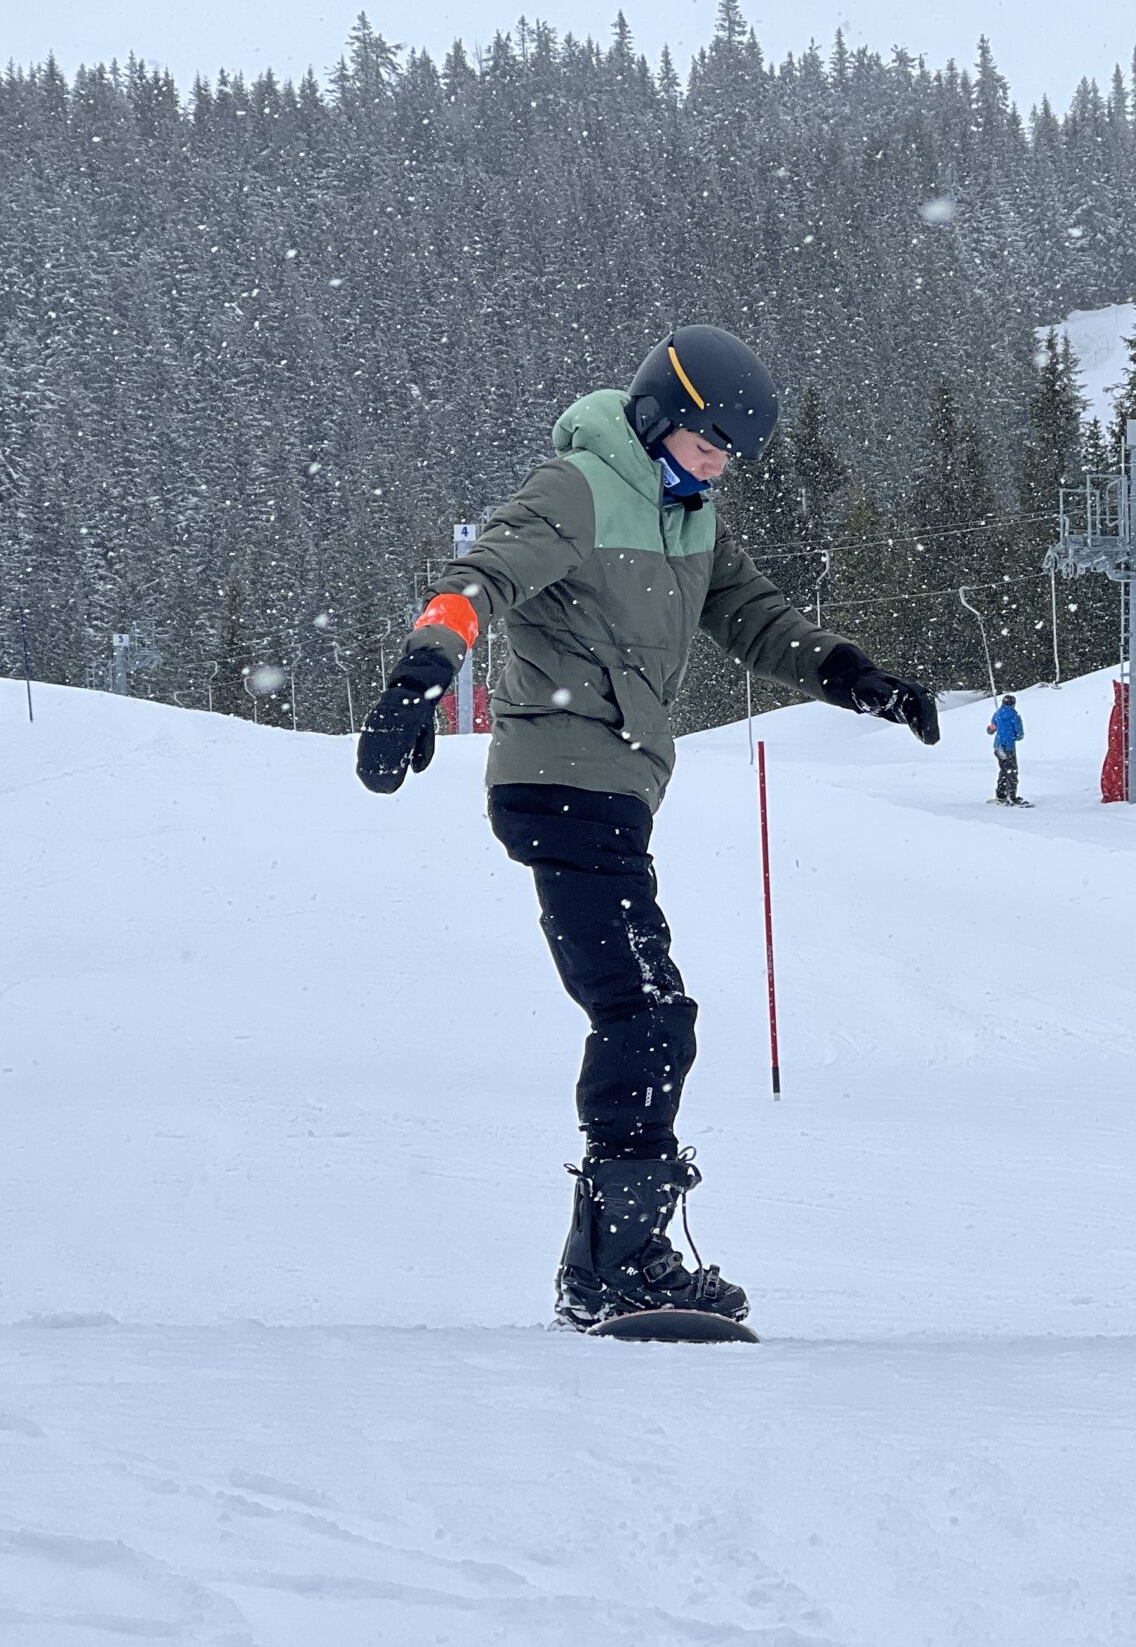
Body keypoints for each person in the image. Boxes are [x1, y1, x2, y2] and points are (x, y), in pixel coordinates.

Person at [354, 325, 941, 1331]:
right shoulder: (581, 487)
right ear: (658, 416)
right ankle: (616, 1264)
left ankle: (615, 1258)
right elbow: (477, 580)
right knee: (648, 1016)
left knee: (647, 1014)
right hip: (559, 779)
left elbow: (755, 617)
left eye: (729, 455)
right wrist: (419, 679)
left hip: (615, 787)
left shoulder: (691, 519)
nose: (718, 467)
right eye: (708, 444)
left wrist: (856, 677)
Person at [987, 693, 1025, 805]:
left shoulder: (997, 714)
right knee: (1012, 771)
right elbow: (1020, 735)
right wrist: (1013, 736)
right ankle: (1011, 796)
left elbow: (991, 730)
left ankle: (1001, 794)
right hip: (1008, 747)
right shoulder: (1015, 716)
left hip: (998, 747)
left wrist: (992, 728)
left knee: (1004, 769)